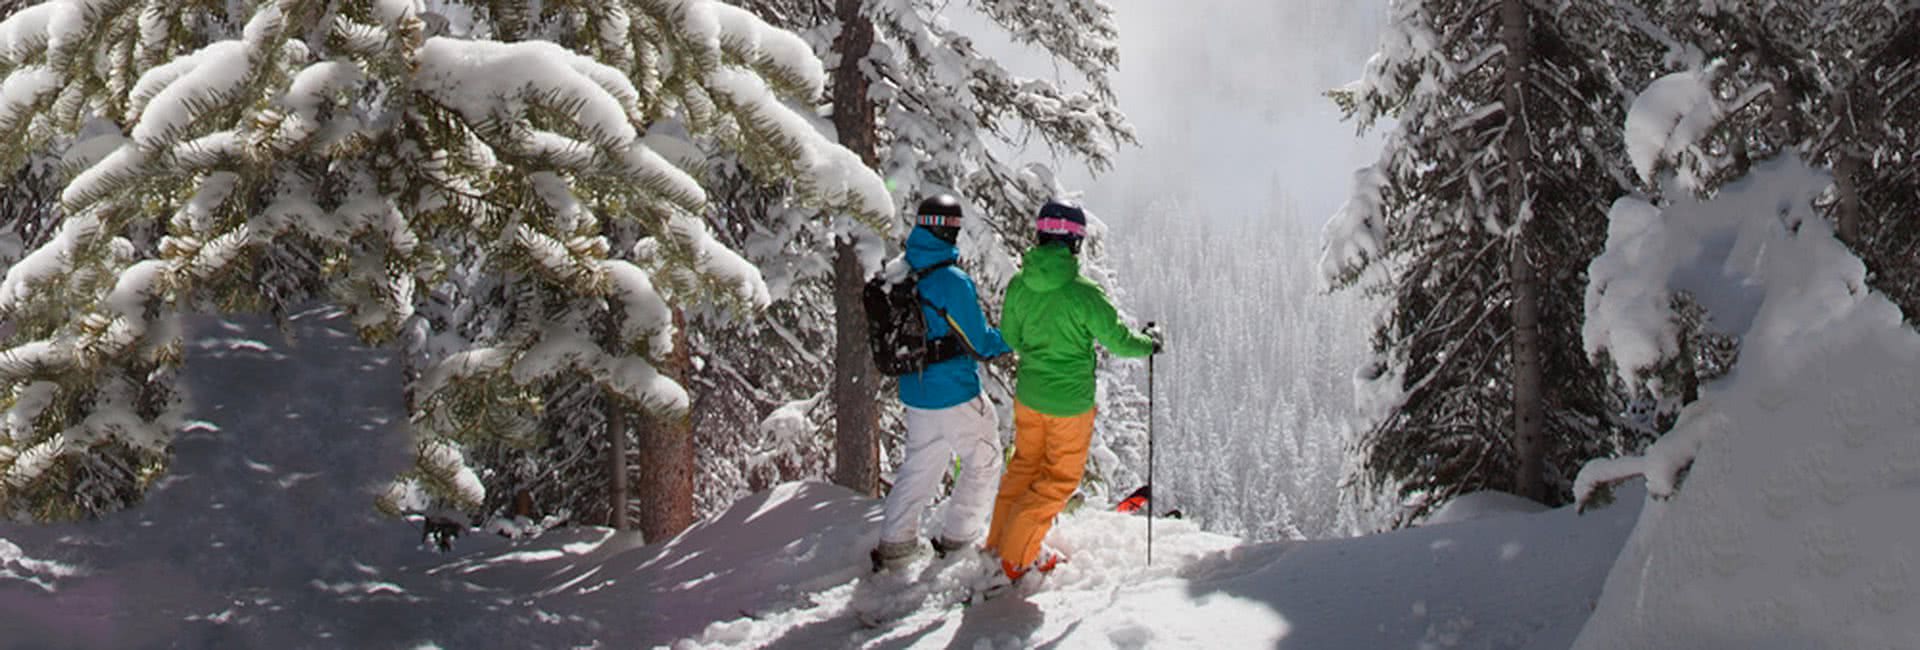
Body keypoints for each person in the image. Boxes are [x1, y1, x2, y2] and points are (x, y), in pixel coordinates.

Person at [984, 199, 1160, 581]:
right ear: (1074, 242)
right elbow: (1118, 341)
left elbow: (1010, 336)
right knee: (1057, 481)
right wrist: (1149, 343)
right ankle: (1016, 558)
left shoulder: (1019, 284)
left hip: (1029, 396)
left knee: (1024, 469)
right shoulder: (1084, 292)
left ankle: (999, 543)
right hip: (1069, 404)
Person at [871, 194, 1014, 573]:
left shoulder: (898, 271)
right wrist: (1013, 338)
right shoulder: (951, 281)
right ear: (949, 229)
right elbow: (980, 343)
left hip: (915, 392)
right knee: (984, 458)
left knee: (922, 464)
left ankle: (896, 544)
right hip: (954, 390)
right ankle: (959, 540)